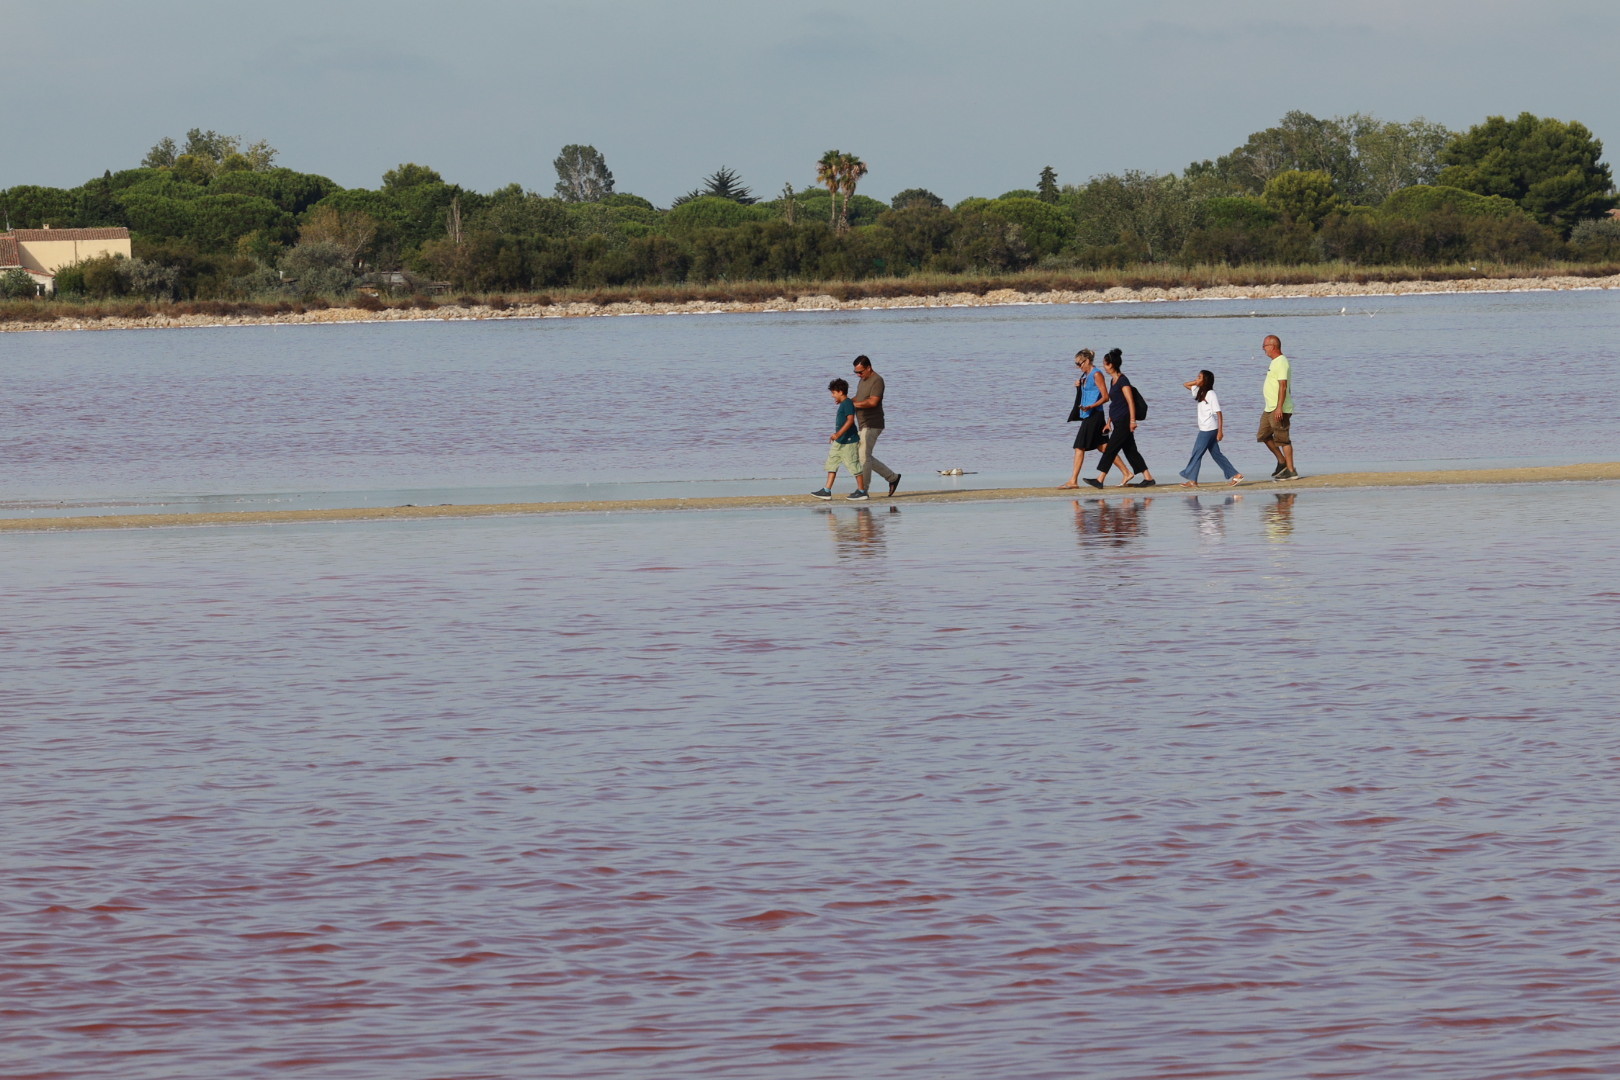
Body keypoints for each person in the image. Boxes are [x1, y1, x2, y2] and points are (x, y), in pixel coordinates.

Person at [1084, 348, 1156, 488]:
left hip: (1125, 421)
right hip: (1117, 421)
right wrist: (1108, 422)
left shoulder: (1123, 380)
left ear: (1111, 364)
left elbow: (1130, 402)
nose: (1104, 367)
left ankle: (1100, 480)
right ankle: (1148, 478)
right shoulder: (1113, 381)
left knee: (1111, 449)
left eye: (1105, 364)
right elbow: (1115, 403)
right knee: (1130, 450)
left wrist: (1132, 421)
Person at [1178, 369, 1243, 488]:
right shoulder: (1199, 391)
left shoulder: (1211, 394)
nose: (1196, 379)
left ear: (1206, 380)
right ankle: (1236, 475)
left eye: (1199, 377)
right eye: (1197, 377)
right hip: (1206, 429)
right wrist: (1197, 382)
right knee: (1216, 454)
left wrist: (1220, 431)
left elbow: (1219, 413)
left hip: (1208, 429)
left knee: (1196, 453)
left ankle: (1192, 479)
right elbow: (1185, 384)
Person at [850, 355, 901, 497]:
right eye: (856, 373)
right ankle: (893, 478)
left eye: (860, 372)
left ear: (869, 368)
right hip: (862, 424)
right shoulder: (862, 380)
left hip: (873, 424)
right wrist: (846, 401)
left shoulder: (877, 380)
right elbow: (858, 398)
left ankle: (863, 490)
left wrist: (853, 404)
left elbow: (873, 402)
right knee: (865, 456)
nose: (858, 375)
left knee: (863, 457)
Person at [1059, 348, 1111, 489]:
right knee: (1103, 447)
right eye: (1076, 364)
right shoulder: (1085, 375)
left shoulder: (1097, 374)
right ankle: (1127, 472)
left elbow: (1106, 397)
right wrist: (1079, 387)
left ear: (1087, 360)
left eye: (1080, 363)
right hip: (1088, 414)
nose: (1078, 366)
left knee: (1079, 447)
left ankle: (1073, 481)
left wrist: (1090, 406)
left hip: (1094, 414)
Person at [811, 378, 864, 500]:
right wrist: (837, 436)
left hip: (849, 441)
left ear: (840, 392)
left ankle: (862, 491)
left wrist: (838, 434)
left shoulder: (848, 403)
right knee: (832, 463)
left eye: (834, 393)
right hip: (839, 441)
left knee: (853, 464)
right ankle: (826, 490)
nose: (832, 395)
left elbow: (850, 420)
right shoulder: (844, 403)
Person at [1257, 334, 1296, 479]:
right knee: (1263, 435)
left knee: (1283, 438)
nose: (1263, 349)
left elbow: (1283, 386)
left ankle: (1291, 471)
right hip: (1269, 407)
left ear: (1272, 346)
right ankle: (1281, 461)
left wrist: (1280, 407)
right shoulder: (1274, 362)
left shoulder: (1281, 362)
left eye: (1264, 346)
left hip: (1280, 408)